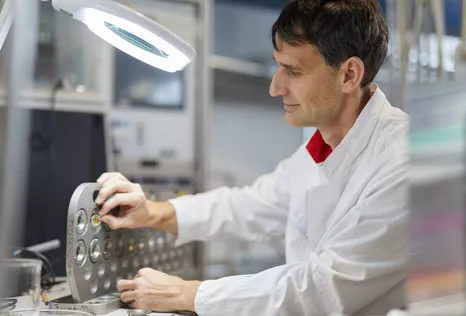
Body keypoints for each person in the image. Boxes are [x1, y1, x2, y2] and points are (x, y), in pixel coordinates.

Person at [95, 0, 409, 315]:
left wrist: (186, 293)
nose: (275, 87)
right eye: (278, 65)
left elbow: (322, 289)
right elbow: (249, 207)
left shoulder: (399, 164)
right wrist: (151, 212)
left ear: (349, 75)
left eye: (293, 71)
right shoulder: (322, 148)